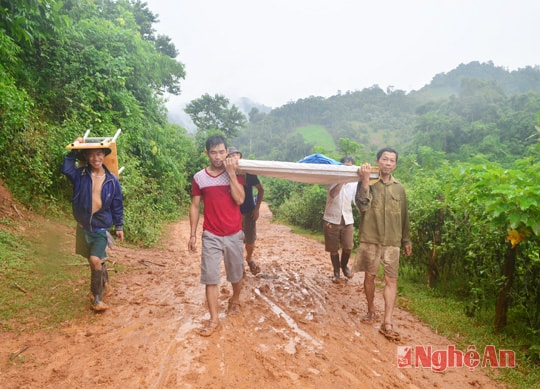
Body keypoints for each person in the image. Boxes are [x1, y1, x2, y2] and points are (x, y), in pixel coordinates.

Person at [188, 135, 245, 337]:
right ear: (207, 154)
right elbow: (195, 206)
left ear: (227, 151)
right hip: (211, 234)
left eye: (222, 152)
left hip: (234, 233)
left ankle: (235, 299)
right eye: (213, 152)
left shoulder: (237, 173)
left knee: (236, 275)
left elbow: (239, 199)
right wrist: (193, 234)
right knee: (210, 278)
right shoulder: (199, 178)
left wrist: (230, 174)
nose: (218, 156)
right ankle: (214, 320)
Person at [354, 147, 412, 341]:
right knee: (369, 277)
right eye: (385, 159)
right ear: (378, 161)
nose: (388, 163)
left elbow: (404, 217)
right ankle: (371, 310)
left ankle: (387, 321)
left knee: (391, 280)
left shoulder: (400, 189)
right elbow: (362, 206)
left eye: (392, 160)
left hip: (392, 242)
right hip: (371, 238)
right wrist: (364, 181)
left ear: (395, 164)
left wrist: (406, 240)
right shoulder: (368, 182)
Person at [62, 138, 124, 311]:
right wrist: (74, 149)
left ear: (104, 155)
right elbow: (66, 168)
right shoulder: (80, 175)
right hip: (83, 226)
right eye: (91, 155)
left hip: (101, 227)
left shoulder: (112, 181)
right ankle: (105, 285)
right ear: (87, 157)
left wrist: (119, 226)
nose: (96, 158)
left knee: (95, 259)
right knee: (93, 260)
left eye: (99, 154)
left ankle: (96, 298)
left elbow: (117, 204)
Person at [227, 147, 265, 276]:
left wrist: (257, 209)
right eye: (231, 155)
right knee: (236, 241)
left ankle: (249, 258)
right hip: (233, 214)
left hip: (249, 212)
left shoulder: (249, 173)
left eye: (236, 154)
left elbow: (261, 190)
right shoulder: (226, 174)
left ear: (240, 157)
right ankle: (240, 265)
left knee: (250, 240)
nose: (234, 157)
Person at [322, 156, 357, 284]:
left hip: (347, 219)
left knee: (348, 247)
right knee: (333, 248)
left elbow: (356, 200)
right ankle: (336, 273)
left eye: (350, 167)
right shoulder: (332, 179)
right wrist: (342, 180)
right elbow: (332, 194)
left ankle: (344, 266)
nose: (347, 169)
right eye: (345, 166)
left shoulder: (354, 183)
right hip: (331, 218)